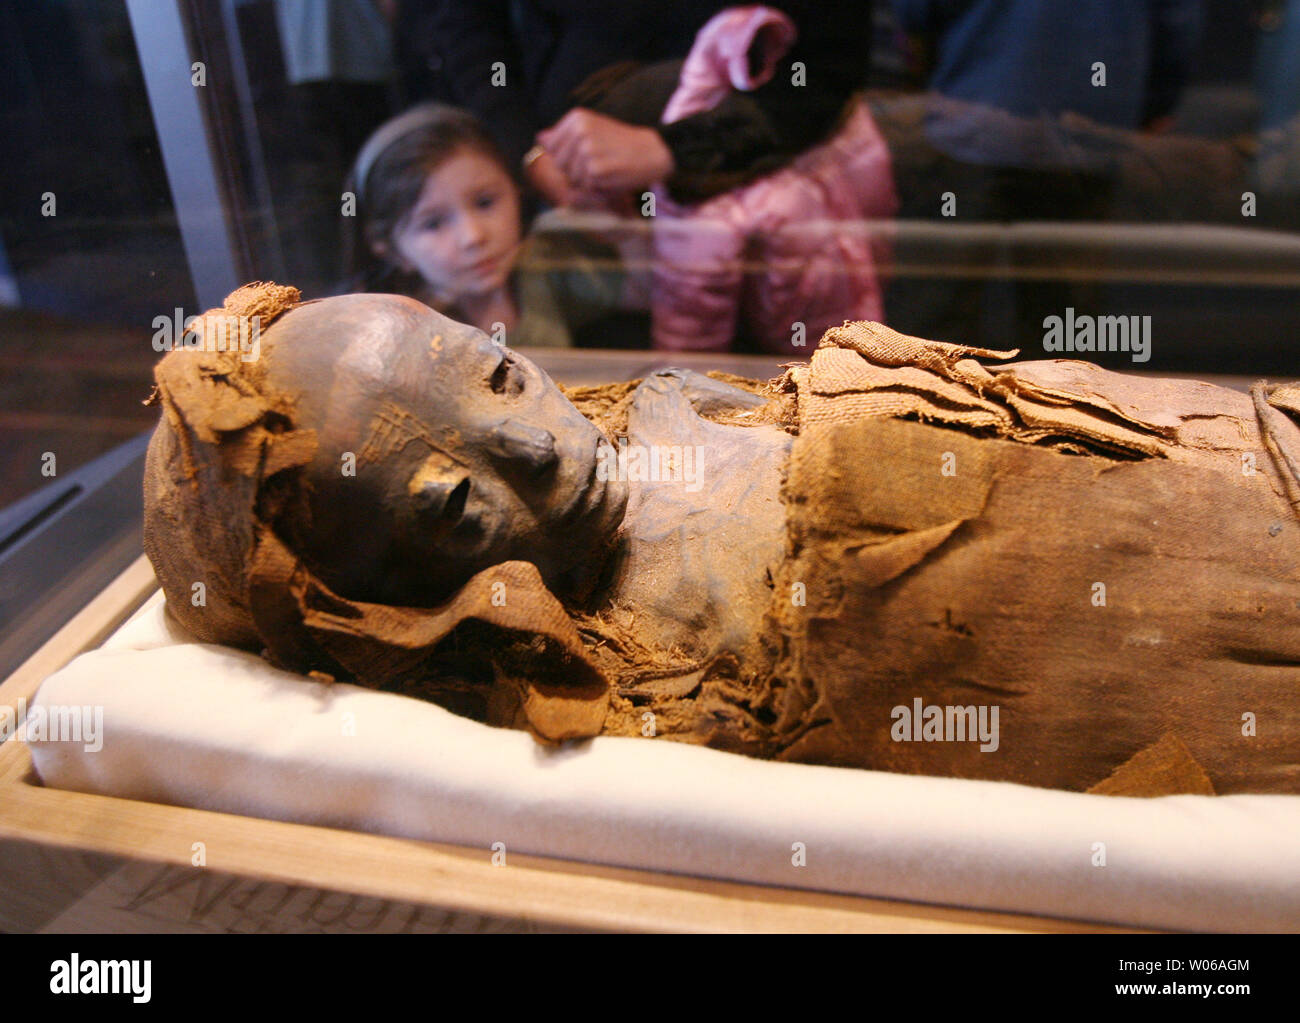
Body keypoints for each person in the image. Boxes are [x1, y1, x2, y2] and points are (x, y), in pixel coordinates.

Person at [143, 285, 1300, 795]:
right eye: (454, 503)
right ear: (388, 611)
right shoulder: (617, 684)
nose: (535, 449)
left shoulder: (664, 404)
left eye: (497, 374)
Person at [344, 103, 629, 347]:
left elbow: (639, 288)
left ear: (516, 192)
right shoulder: (400, 334)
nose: (473, 236)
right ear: (394, 252)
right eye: (432, 224)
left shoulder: (543, 267)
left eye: (484, 202)